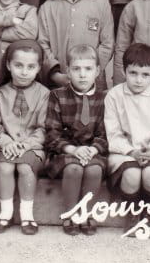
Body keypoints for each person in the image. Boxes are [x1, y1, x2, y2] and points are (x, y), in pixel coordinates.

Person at [104, 43, 150, 235]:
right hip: (123, 152)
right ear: (124, 71)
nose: (138, 80)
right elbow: (113, 133)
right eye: (133, 73)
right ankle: (133, 214)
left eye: (145, 75)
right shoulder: (114, 95)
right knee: (132, 175)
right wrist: (131, 151)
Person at [44, 44, 107, 236]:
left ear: (97, 71)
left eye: (88, 69)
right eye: (76, 69)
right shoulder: (57, 95)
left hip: (93, 152)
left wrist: (94, 149)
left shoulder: (104, 98)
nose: (82, 74)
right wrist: (72, 149)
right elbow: (52, 132)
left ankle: (87, 214)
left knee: (95, 169)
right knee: (74, 168)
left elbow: (106, 133)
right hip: (65, 152)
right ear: (68, 71)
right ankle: (70, 214)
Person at [0, 40, 50, 235]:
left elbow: (44, 127)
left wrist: (27, 144)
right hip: (6, 146)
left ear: (38, 68)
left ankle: (27, 215)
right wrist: (6, 142)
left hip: (33, 148)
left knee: (24, 166)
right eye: (18, 65)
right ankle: (5, 213)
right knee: (5, 167)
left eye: (31, 67)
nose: (24, 72)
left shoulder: (44, 94)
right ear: (8, 65)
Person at [38, 0, 113, 89]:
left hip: (94, 83)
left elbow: (107, 44)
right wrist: (55, 74)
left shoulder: (101, 6)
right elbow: (42, 44)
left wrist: (90, 72)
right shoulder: (47, 8)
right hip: (58, 83)